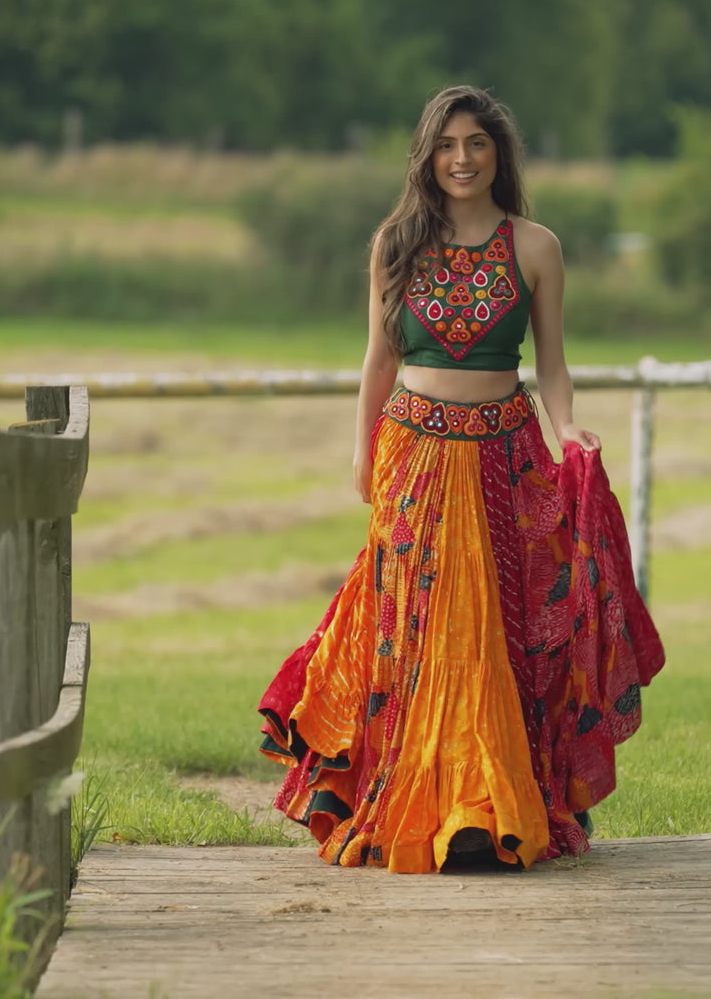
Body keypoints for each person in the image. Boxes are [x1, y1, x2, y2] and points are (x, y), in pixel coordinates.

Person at [257, 85, 664, 874]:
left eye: (477, 143)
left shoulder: (536, 247)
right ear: (427, 156)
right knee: (413, 626)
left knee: (501, 630)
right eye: (447, 144)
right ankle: (417, 799)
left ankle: (489, 809)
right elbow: (378, 359)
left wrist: (566, 425)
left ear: (498, 154)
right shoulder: (396, 243)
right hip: (413, 454)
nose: (462, 159)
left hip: (506, 456)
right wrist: (359, 448)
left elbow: (550, 365)